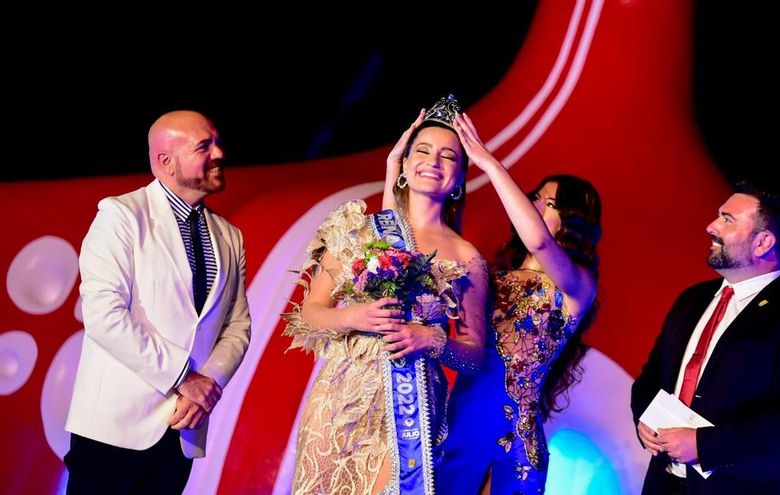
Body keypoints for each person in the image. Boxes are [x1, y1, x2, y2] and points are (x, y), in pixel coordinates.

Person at [283, 95, 488, 495]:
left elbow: (476, 355)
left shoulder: (466, 257)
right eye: (423, 151)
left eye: (448, 156)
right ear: (405, 165)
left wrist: (433, 339)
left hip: (410, 410)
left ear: (461, 177)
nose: (434, 161)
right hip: (340, 398)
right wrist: (353, 317)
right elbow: (310, 312)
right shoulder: (360, 228)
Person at [64, 110, 252, 494]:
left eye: (215, 142)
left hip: (181, 430)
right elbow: (103, 315)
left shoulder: (230, 236)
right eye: (204, 146)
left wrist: (207, 387)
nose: (219, 153)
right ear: (166, 161)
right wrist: (185, 379)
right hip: (113, 431)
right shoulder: (120, 215)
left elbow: (238, 326)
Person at [413, 114, 601, 494]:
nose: (530, 206)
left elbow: (541, 243)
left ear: (572, 220)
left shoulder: (578, 285)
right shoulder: (490, 276)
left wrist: (487, 161)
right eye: (532, 198)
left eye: (543, 202)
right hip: (459, 424)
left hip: (515, 442)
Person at [630, 182, 780, 495]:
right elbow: (651, 377)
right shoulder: (692, 299)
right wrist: (644, 419)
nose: (711, 226)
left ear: (763, 242)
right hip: (665, 484)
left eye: (728, 219)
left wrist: (704, 445)